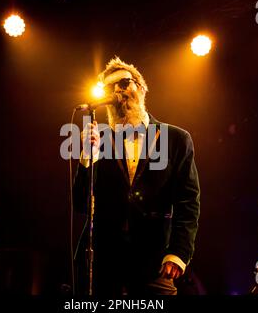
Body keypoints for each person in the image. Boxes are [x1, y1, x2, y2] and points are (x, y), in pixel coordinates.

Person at [73, 57, 200, 295]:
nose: (117, 91)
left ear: (141, 89)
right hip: (104, 263)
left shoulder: (176, 138)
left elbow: (188, 202)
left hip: (153, 262)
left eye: (123, 83)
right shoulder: (98, 138)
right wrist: (86, 159)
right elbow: (80, 204)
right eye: (110, 87)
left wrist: (179, 252)